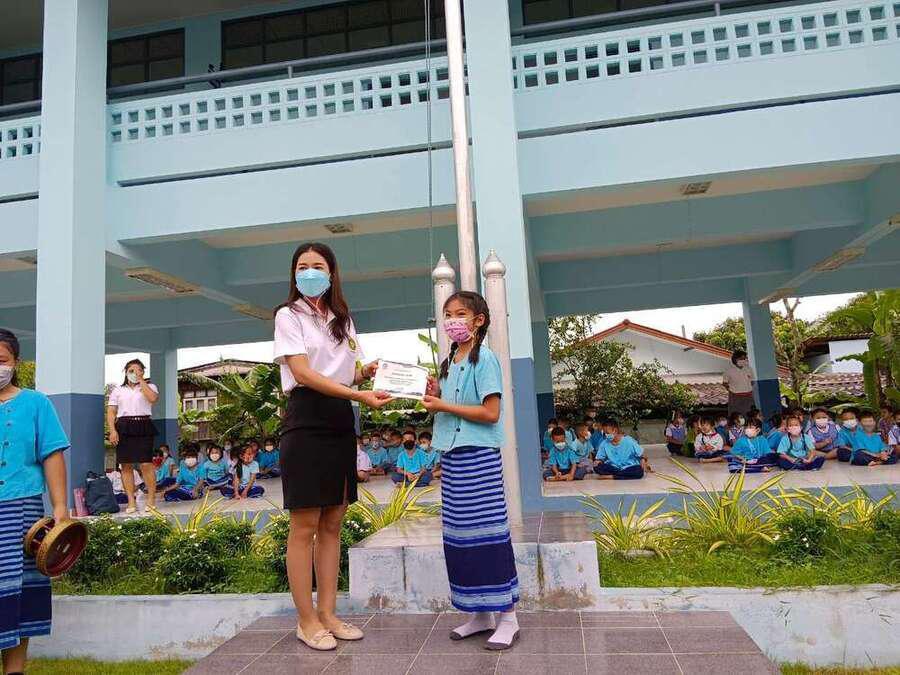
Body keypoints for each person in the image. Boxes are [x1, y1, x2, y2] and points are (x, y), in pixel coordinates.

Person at [273, 242, 390, 651]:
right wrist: (356, 394)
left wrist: (365, 374)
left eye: (317, 266)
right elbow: (303, 373)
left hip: (340, 419)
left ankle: (328, 613)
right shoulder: (288, 316)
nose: (309, 272)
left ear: (331, 272)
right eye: (302, 266)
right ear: (294, 274)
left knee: (333, 523)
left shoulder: (342, 318)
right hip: (306, 419)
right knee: (304, 524)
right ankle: (306, 621)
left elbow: (346, 372)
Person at [422, 290, 520, 650]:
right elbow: (447, 406)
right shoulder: (449, 360)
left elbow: (490, 413)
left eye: (459, 314)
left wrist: (443, 404)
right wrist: (435, 394)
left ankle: (508, 617)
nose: (452, 321)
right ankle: (479, 614)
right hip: (452, 457)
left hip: (479, 458)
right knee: (460, 538)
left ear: (478, 320)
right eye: (448, 314)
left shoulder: (486, 359)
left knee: (489, 536)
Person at [0, 329, 70, 675]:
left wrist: (60, 508)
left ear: (15, 362)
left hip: (23, 512)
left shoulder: (37, 403)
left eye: (1, 360)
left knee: (20, 595)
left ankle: (15, 671)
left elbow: (52, 454)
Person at [107, 359, 159, 513]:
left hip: (143, 424)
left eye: (138, 370)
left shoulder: (150, 386)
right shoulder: (118, 390)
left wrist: (141, 380)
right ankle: (131, 501)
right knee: (126, 465)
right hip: (124, 425)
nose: (134, 373)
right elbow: (111, 412)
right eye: (131, 370)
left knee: (146, 463)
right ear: (126, 372)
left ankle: (151, 499)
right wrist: (112, 430)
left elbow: (153, 398)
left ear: (143, 372)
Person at [723, 349, 755, 416]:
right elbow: (725, 383)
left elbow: (752, 381)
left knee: (750, 414)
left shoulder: (749, 369)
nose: (744, 360)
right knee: (735, 415)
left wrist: (747, 388)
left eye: (745, 358)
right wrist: (732, 390)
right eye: (742, 358)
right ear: (735, 359)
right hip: (735, 397)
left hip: (748, 396)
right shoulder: (729, 370)